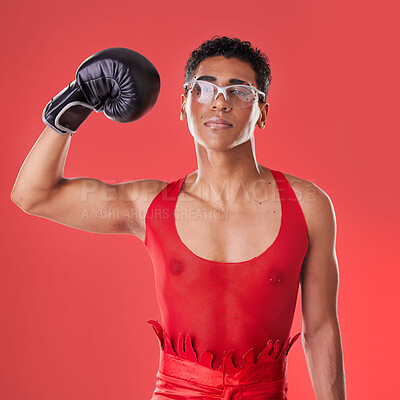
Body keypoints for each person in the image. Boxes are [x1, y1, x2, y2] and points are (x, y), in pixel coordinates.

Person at [11, 37, 346, 399]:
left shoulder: (307, 204)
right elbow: (33, 195)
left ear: (262, 112)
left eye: (240, 91)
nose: (220, 101)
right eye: (203, 88)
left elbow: (322, 329)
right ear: (183, 106)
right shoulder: (150, 204)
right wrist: (73, 106)